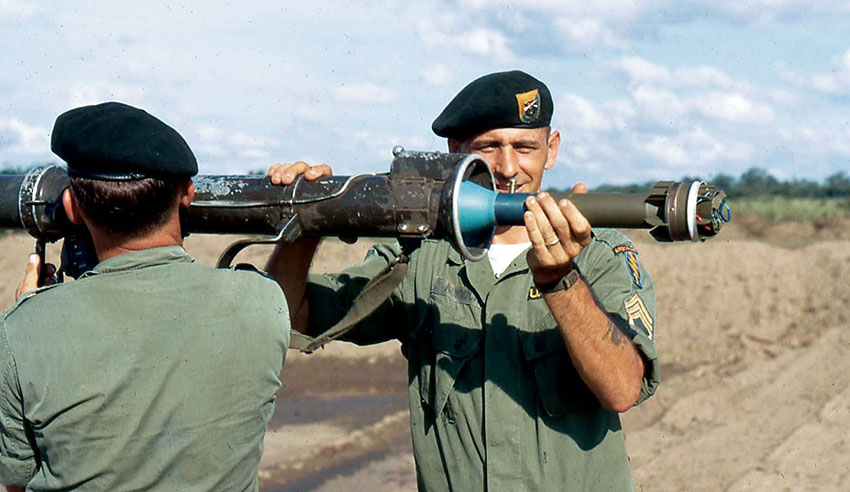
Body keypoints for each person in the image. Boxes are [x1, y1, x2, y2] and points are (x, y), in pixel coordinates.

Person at [266, 70, 659, 491]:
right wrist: (304, 218)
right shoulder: (418, 255)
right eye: (489, 147)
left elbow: (622, 389)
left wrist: (561, 280)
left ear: (552, 149)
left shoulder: (601, 256)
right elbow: (292, 316)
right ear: (456, 152)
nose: (508, 168)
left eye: (525, 147)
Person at [0, 102, 290, 492]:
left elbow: (18, 483)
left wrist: (30, 318)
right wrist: (306, 215)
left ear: (72, 206)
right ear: (186, 192)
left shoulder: (20, 333)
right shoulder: (261, 302)